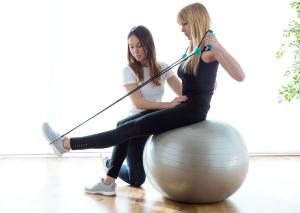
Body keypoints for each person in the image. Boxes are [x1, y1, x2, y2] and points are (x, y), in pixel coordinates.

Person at [42, 1, 245, 194]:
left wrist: (218, 48)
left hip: (191, 111)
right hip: (184, 106)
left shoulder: (210, 49)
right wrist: (208, 84)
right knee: (125, 125)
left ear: (196, 20)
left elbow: (240, 76)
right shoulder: (193, 46)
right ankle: (105, 175)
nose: (182, 29)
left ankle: (66, 144)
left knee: (128, 130)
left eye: (184, 23)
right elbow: (195, 80)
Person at [90, 25, 184, 195]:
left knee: (137, 177)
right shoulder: (129, 70)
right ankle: (110, 164)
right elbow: (139, 103)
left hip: (152, 122)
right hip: (135, 122)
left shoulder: (162, 67)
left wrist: (206, 84)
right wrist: (168, 105)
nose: (135, 51)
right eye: (131, 46)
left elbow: (182, 92)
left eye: (139, 45)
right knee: (137, 180)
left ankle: (111, 164)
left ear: (148, 44)